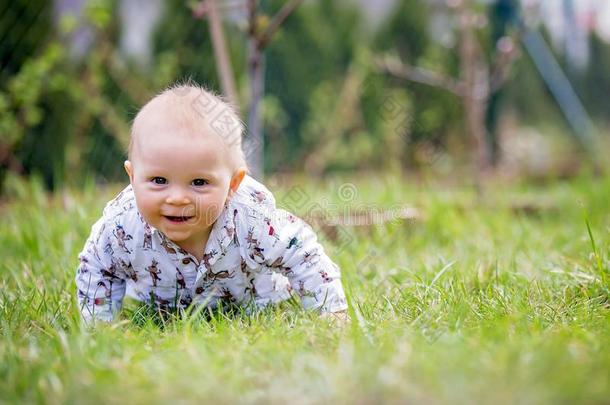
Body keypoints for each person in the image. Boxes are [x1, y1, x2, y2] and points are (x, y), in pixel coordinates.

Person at [75, 83, 348, 324]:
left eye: (198, 183)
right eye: (159, 180)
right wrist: (98, 324)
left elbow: (302, 253)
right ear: (132, 176)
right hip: (160, 309)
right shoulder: (122, 225)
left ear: (233, 184)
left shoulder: (252, 220)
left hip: (254, 303)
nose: (177, 198)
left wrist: (330, 312)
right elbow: (98, 266)